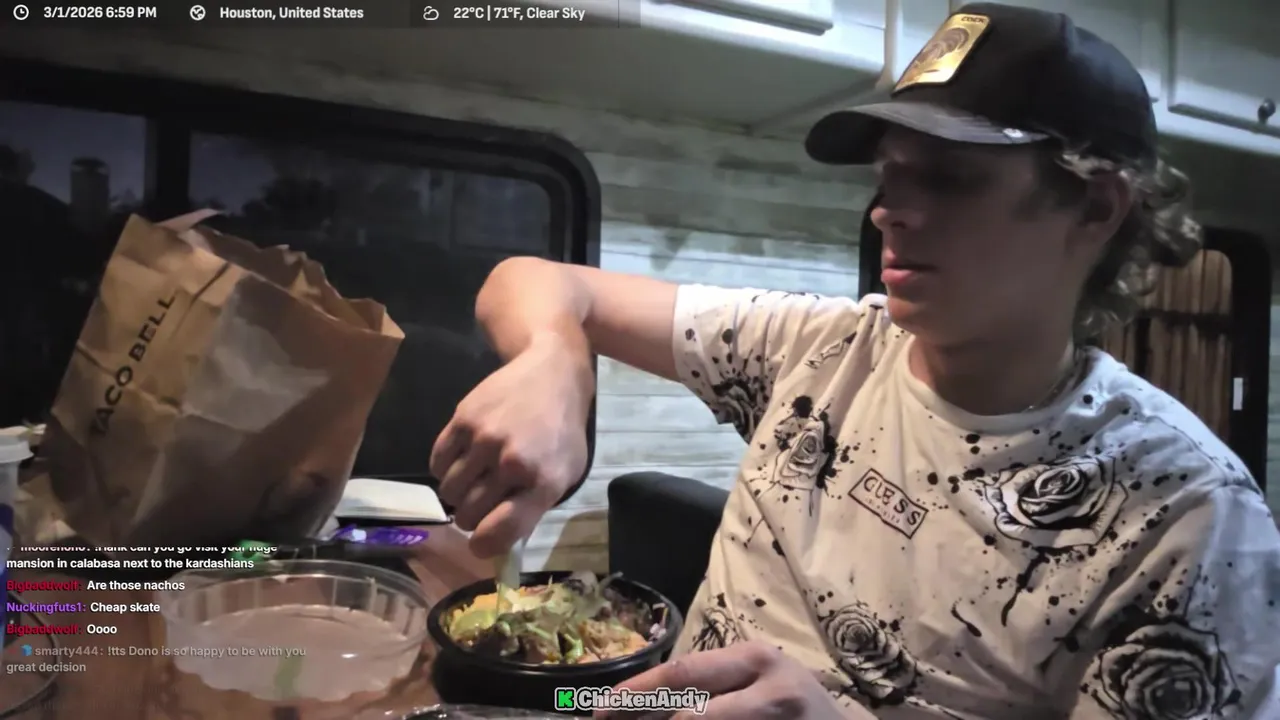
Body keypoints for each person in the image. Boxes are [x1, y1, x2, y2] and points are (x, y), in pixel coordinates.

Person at [430, 3, 1280, 718]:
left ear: (1095, 207)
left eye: (948, 177)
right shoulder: (821, 349)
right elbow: (536, 280)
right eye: (888, 176)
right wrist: (555, 362)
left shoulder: (1190, 518)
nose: (888, 211)